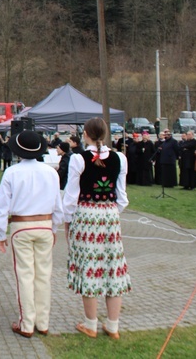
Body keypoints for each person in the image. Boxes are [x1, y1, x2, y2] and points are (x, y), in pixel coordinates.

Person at [64, 117, 131, 340]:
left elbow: (71, 196)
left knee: (89, 266)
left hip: (86, 213)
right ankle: (113, 325)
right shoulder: (119, 158)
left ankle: (91, 323)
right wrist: (110, 212)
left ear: (85, 134)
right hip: (110, 214)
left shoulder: (78, 160)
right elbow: (122, 198)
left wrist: (68, 220)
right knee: (113, 268)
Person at [0, 131, 64, 338]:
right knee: (43, 275)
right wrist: (54, 227)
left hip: (22, 227)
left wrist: (0, 232)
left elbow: (2, 205)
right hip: (44, 225)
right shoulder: (51, 172)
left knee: (24, 274)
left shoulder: (13, 173)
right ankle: (42, 321)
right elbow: (57, 204)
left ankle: (27, 323)